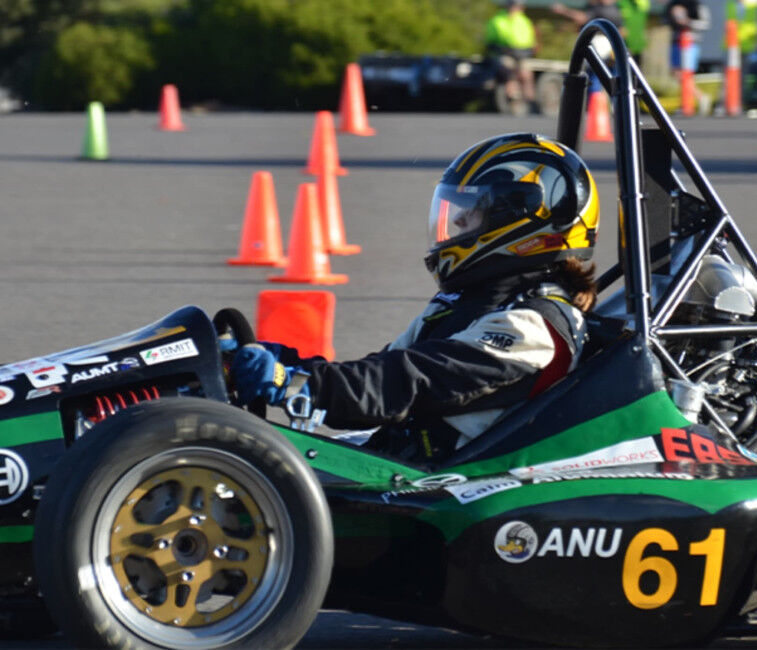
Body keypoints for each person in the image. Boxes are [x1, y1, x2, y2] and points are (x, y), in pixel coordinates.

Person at [232, 133, 600, 462]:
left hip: (445, 485)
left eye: (472, 211)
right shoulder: (464, 304)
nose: (457, 223)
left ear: (516, 223)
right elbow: (380, 373)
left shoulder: (534, 328)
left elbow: (407, 381)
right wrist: (285, 362)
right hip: (401, 451)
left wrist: (296, 384)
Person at [485, 0, 538, 108]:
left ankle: (531, 101)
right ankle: (512, 97)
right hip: (505, 52)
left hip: (522, 53)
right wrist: (500, 48)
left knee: (526, 74)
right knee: (508, 70)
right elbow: (490, 40)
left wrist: (529, 50)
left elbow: (530, 39)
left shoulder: (524, 20)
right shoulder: (497, 20)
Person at [665, 0, 712, 114]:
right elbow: (665, 19)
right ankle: (693, 99)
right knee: (676, 73)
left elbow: (705, 23)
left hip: (690, 43)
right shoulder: (673, 4)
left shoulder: (697, 5)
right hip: (676, 42)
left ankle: (697, 99)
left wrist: (688, 22)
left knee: (687, 73)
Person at [619, 0, 651, 65]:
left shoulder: (643, 4)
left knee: (637, 62)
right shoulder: (621, 3)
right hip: (625, 37)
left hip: (637, 37)